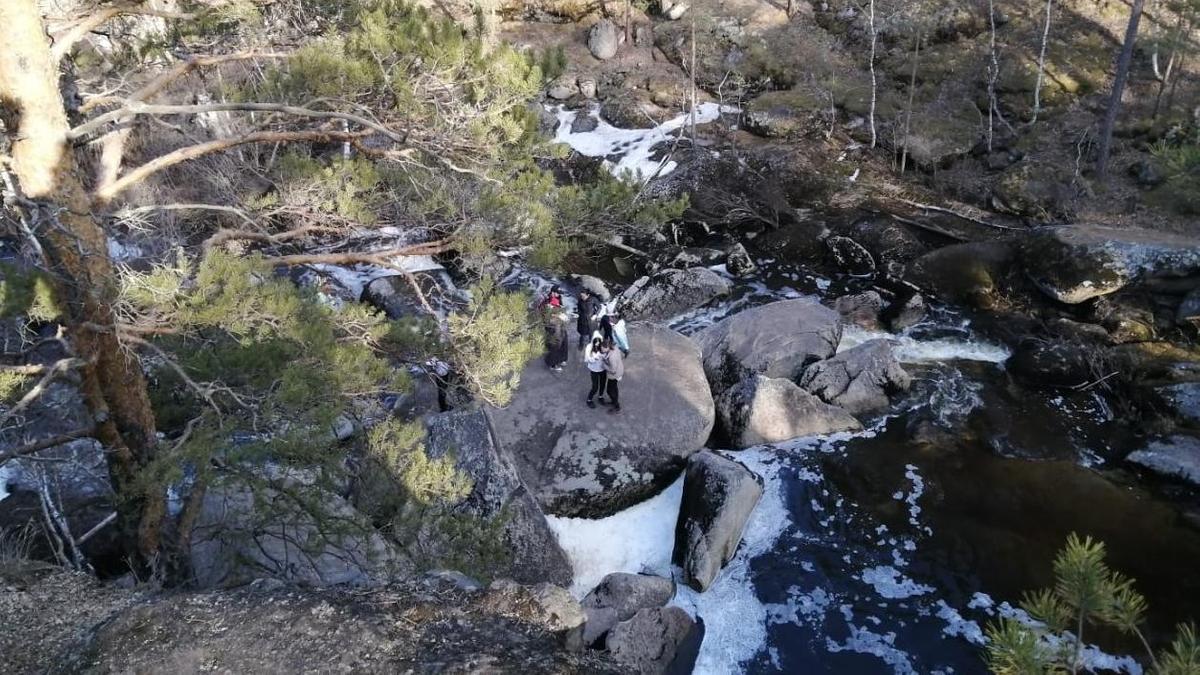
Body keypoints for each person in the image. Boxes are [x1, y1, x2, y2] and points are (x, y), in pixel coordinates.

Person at [602, 339, 624, 414]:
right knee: (614, 388)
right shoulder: (615, 348)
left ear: (607, 347)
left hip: (615, 374)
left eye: (603, 348)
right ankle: (614, 402)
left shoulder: (612, 357)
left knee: (610, 390)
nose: (602, 350)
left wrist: (604, 365)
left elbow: (613, 370)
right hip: (619, 370)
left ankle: (617, 407)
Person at [584, 336, 608, 407]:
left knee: (603, 384)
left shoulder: (602, 348)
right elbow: (588, 360)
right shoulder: (589, 348)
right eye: (596, 344)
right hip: (594, 370)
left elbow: (607, 355)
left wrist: (604, 357)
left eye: (599, 344)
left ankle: (600, 396)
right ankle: (589, 400)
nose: (597, 345)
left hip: (602, 369)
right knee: (595, 387)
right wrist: (595, 358)